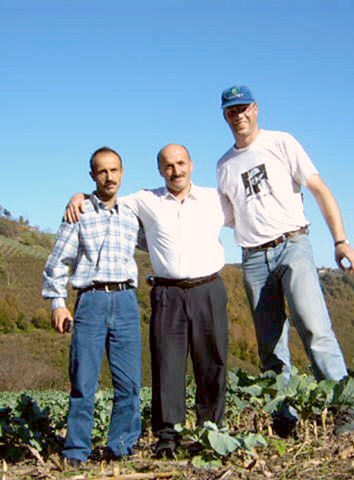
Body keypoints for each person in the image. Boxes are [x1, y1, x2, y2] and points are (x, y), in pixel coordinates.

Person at [217, 84, 354, 436]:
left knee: (314, 326)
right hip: (252, 258)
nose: (239, 116)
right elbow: (226, 217)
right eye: (231, 112)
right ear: (225, 117)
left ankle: (346, 409)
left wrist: (340, 240)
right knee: (270, 345)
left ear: (256, 108)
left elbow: (320, 189)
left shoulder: (282, 142)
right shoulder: (224, 166)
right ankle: (285, 419)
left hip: (292, 244)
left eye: (243, 109)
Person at [67, 144, 230, 458]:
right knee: (167, 365)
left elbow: (245, 219)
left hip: (209, 288)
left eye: (181, 163)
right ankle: (169, 436)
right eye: (168, 166)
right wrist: (80, 197)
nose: (176, 170)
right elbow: (106, 197)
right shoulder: (144, 200)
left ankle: (211, 433)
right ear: (160, 171)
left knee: (213, 364)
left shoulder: (215, 199)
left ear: (192, 165)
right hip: (167, 291)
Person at [42, 147, 143, 466]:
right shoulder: (79, 211)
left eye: (114, 170)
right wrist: (58, 303)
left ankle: (121, 447)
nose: (109, 176)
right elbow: (59, 260)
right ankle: (76, 452)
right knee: (84, 381)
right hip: (91, 301)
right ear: (92, 176)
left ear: (123, 172)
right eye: (102, 171)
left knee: (129, 383)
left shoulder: (133, 215)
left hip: (126, 300)